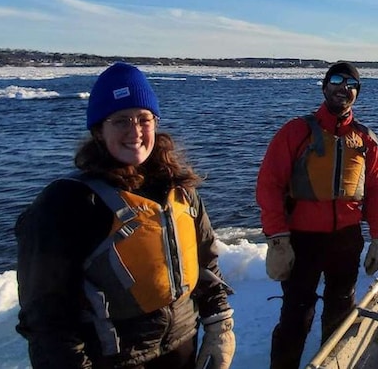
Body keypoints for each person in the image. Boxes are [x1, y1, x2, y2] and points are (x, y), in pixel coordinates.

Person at [15, 62, 236, 368]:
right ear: (98, 131)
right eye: (120, 121)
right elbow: (46, 316)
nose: (135, 131)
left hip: (182, 344)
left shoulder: (179, 190)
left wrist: (219, 323)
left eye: (144, 119)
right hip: (115, 357)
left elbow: (205, 262)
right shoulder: (67, 204)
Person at [256, 61, 378, 368]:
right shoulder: (296, 131)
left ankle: (334, 363)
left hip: (346, 240)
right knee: (296, 314)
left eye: (351, 84)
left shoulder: (364, 140)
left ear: (357, 93)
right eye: (337, 80)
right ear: (324, 85)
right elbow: (269, 184)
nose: (343, 87)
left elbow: (377, 191)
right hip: (302, 241)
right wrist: (277, 239)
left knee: (341, 311)